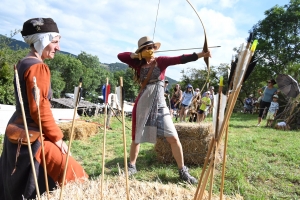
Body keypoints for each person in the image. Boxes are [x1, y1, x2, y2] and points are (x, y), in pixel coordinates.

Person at [0, 18, 88, 200]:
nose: (58, 47)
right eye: (55, 42)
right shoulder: (38, 67)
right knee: (74, 175)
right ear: (42, 40)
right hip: (32, 135)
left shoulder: (24, 62)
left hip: (19, 129)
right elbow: (40, 110)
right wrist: (57, 138)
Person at [117, 36, 211, 184]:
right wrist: (137, 56)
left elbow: (180, 58)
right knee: (136, 138)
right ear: (142, 50)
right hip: (143, 103)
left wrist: (201, 55)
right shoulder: (138, 64)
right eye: (147, 48)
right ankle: (132, 166)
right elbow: (120, 56)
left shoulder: (161, 61)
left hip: (160, 105)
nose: (151, 50)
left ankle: (182, 171)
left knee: (173, 137)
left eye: (152, 47)